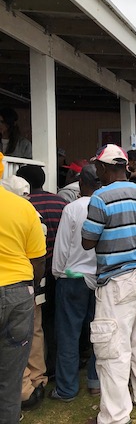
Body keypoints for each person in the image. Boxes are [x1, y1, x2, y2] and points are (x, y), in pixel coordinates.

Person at [81, 144, 136, 424]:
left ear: (104, 168)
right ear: (124, 167)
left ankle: (115, 415)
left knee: (112, 345)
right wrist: (133, 237)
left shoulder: (100, 197)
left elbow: (87, 241)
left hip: (117, 279)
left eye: (98, 167)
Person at [0, 153, 46, 424]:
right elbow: (37, 259)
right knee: (11, 373)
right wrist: (29, 288)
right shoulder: (23, 208)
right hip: (18, 294)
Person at [50, 164, 102, 401]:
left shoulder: (72, 208)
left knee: (68, 335)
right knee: (99, 334)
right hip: (100, 278)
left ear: (81, 184)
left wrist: (58, 273)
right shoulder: (106, 206)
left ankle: (67, 389)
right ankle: (95, 381)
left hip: (72, 278)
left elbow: (62, 246)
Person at [16, 165, 67, 399]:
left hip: (35, 274)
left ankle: (32, 375)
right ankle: (52, 368)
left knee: (34, 326)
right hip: (58, 269)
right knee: (53, 322)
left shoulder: (23, 207)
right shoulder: (60, 203)